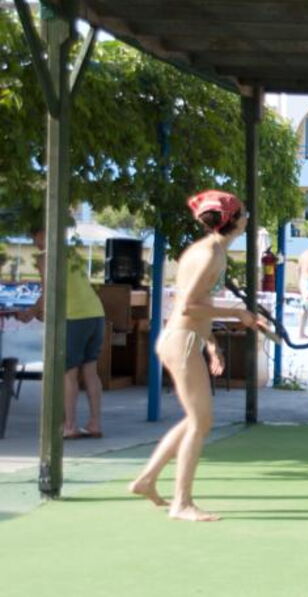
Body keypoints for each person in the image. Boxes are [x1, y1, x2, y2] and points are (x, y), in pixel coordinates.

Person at [128, 190, 267, 522]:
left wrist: (212, 343)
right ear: (234, 221)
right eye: (244, 213)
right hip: (183, 340)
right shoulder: (209, 255)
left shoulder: (210, 250)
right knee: (201, 422)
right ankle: (181, 503)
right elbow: (187, 306)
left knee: (196, 419)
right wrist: (237, 313)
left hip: (187, 339)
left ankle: (147, 480)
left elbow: (197, 304)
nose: (247, 218)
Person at [17, 226, 106, 440]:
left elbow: (49, 290)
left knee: (69, 373)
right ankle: (94, 424)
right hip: (96, 314)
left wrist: (30, 312)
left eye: (36, 236)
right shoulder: (71, 252)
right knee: (91, 371)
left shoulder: (46, 257)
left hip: (74, 316)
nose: (35, 243)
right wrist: (42, 312)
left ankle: (70, 426)